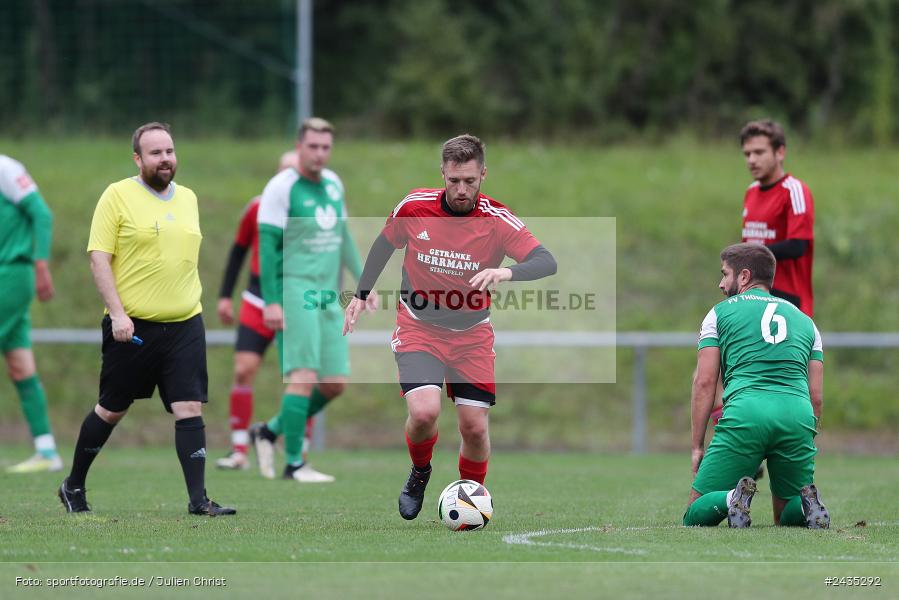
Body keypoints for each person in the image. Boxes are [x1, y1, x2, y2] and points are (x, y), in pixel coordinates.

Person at [343, 134, 557, 520]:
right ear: (442, 172)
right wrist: (360, 294)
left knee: (474, 428)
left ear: (483, 175)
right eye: (454, 180)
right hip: (419, 327)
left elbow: (546, 260)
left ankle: (470, 498)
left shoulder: (496, 219)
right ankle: (420, 472)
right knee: (424, 414)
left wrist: (506, 271)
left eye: (470, 181)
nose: (461, 190)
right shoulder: (415, 207)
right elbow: (384, 244)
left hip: (472, 335)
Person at [58, 122, 235, 516]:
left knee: (189, 406)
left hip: (186, 322)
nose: (165, 159)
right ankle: (73, 485)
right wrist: (118, 314)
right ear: (137, 159)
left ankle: (198, 501)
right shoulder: (116, 196)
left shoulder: (188, 198)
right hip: (133, 328)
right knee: (112, 408)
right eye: (155, 153)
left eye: (169, 151)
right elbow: (99, 258)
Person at [250, 117, 372, 483]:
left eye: (325, 147)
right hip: (294, 290)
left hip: (327, 293)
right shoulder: (281, 188)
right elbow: (267, 248)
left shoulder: (334, 184)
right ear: (299, 146)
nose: (319, 153)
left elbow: (343, 236)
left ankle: (269, 432)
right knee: (301, 377)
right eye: (313, 146)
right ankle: (294, 464)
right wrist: (271, 301)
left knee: (334, 383)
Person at [683, 243, 829, 529]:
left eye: (725, 274)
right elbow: (816, 396)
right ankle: (806, 504)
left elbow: (704, 382)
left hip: (746, 414)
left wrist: (697, 445)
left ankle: (731, 499)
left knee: (693, 514)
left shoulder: (719, 313)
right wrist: (805, 438)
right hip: (797, 416)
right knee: (786, 515)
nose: (721, 283)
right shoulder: (806, 321)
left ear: (744, 276)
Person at [215, 150, 316, 471]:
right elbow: (239, 250)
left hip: (298, 298)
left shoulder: (315, 210)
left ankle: (297, 451)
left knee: (303, 378)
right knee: (243, 370)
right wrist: (224, 296)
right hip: (258, 297)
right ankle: (239, 450)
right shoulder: (257, 208)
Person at [0, 155, 63, 473]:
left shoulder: (5, 169)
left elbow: (42, 214)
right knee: (20, 365)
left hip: (10, 273)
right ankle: (47, 450)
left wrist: (41, 264)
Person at [739, 119, 814, 317]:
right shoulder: (751, 192)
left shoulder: (794, 190)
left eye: (759, 152)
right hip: (754, 297)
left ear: (780, 152)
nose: (751, 160)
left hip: (788, 300)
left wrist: (749, 253)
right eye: (747, 154)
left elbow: (798, 245)